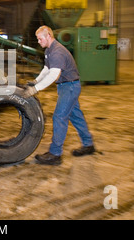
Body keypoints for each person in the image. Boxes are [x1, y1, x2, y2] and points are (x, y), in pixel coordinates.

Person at [23, 25, 95, 165]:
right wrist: (36, 81)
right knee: (76, 116)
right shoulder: (49, 50)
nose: (38, 42)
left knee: (59, 117)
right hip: (66, 87)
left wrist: (36, 89)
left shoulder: (57, 51)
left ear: (48, 35)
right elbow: (46, 69)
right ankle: (88, 144)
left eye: (40, 39)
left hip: (70, 87)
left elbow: (54, 75)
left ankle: (55, 154)